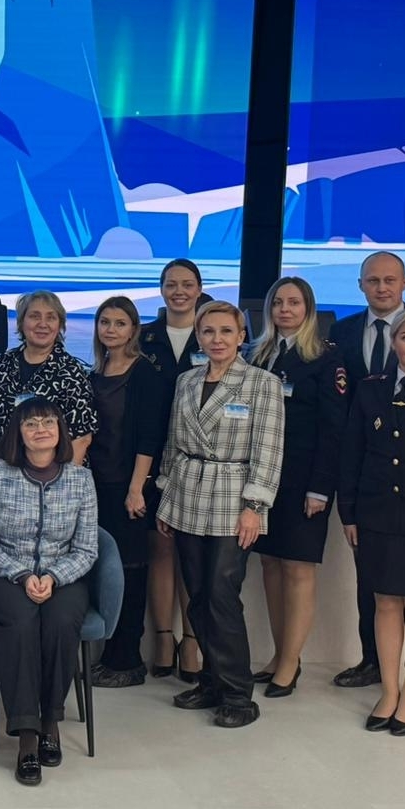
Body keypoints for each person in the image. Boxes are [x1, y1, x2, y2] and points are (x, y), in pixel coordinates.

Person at [156, 301, 284, 729]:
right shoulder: (187, 380)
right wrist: (166, 495)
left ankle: (237, 695)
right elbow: (173, 441)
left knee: (221, 595)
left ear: (241, 335)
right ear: (198, 335)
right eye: (208, 331)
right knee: (197, 595)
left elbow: (268, 451)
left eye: (226, 331)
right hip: (188, 494)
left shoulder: (262, 383)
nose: (217, 339)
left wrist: (254, 507)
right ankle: (211, 682)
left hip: (234, 498)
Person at [0, 396, 98, 787]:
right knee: (20, 625)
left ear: (60, 431)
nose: (40, 429)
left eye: (48, 422)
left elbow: (87, 548)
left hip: (65, 577)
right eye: (30, 423)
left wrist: (55, 577)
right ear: (18, 433)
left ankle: (50, 722)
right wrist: (23, 574)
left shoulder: (80, 478)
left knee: (60, 622)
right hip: (10, 574)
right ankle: (27, 735)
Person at [247, 278, 348, 698]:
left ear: (309, 309)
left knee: (298, 568)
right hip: (265, 480)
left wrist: (320, 488)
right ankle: (279, 654)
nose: (285, 309)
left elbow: (333, 430)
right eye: (278, 303)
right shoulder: (257, 355)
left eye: (294, 302)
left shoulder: (325, 358)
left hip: (305, 480)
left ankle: (291, 662)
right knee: (270, 565)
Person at [327, 250, 405, 689]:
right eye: (373, 280)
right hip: (364, 471)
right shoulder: (340, 332)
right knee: (369, 577)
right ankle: (373, 661)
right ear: (360, 285)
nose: (381, 287)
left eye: (389, 279)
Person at [339, 307, 405, 734]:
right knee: (384, 602)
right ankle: (389, 690)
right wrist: (349, 512)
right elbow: (352, 453)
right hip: (377, 513)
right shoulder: (371, 389)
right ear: (394, 342)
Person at [87, 297, 169, 688]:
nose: (111, 329)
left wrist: (137, 488)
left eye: (120, 323)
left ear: (134, 329)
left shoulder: (144, 374)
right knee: (104, 571)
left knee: (130, 572)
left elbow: (150, 436)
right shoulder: (94, 373)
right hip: (95, 485)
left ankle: (128, 660)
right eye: (105, 322)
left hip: (128, 488)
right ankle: (109, 654)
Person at [140, 259, 208, 682]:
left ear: (199, 288)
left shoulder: (215, 332)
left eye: (187, 284)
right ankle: (164, 637)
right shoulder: (144, 336)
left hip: (200, 463)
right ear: (161, 289)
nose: (179, 291)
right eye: (171, 284)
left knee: (192, 555)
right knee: (160, 550)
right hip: (150, 459)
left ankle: (193, 640)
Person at [0, 290, 97, 461]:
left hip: (55, 472)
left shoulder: (72, 372)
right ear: (22, 322)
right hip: (5, 469)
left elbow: (81, 438)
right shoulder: (3, 364)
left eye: (51, 318)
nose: (43, 324)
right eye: (35, 316)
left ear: (59, 325)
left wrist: (63, 478)